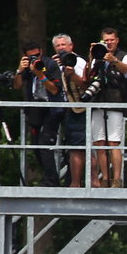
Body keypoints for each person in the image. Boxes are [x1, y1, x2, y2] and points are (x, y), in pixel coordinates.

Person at [13, 39, 62, 187]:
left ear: (41, 51)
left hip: (51, 109)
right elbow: (17, 85)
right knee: (35, 145)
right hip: (35, 108)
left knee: (44, 142)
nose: (35, 59)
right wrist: (20, 70)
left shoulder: (50, 64)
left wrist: (40, 74)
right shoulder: (27, 67)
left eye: (37, 55)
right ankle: (50, 177)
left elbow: (54, 89)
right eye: (31, 57)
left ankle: (51, 180)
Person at [89, 27, 127, 188]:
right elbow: (89, 75)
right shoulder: (97, 56)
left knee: (114, 143)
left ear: (117, 40)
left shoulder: (125, 56)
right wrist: (92, 55)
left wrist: (113, 60)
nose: (109, 43)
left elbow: (126, 69)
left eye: (111, 40)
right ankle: (105, 178)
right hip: (98, 102)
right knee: (99, 143)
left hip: (116, 102)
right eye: (106, 40)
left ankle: (116, 179)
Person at [53, 34, 90, 188]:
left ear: (71, 46)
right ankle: (74, 182)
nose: (61, 48)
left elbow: (86, 85)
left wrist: (71, 73)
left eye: (64, 45)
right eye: (58, 46)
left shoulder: (78, 62)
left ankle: (77, 184)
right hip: (68, 110)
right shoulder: (56, 63)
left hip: (80, 108)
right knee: (74, 147)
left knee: (79, 148)